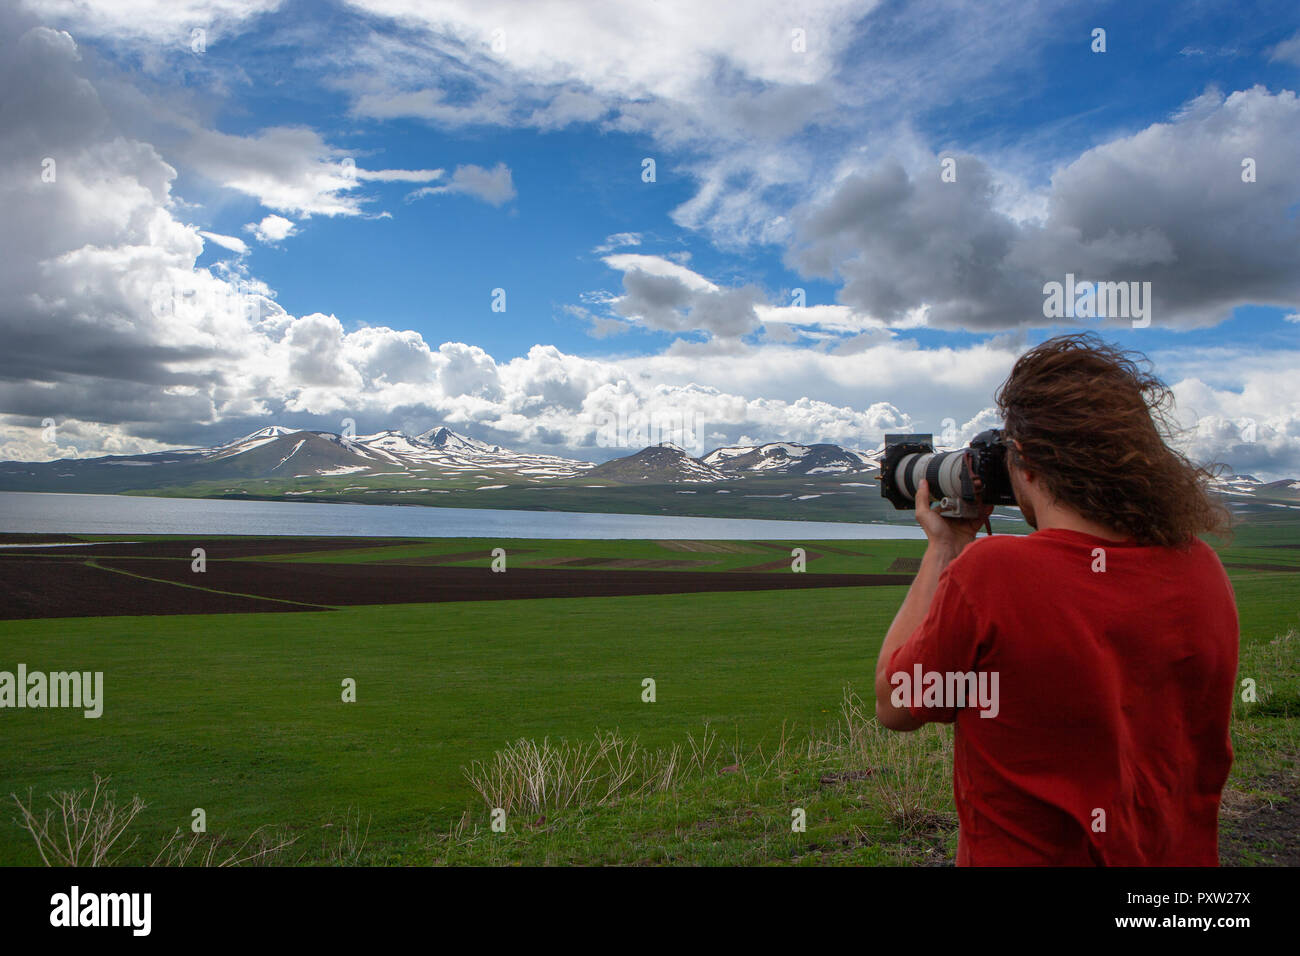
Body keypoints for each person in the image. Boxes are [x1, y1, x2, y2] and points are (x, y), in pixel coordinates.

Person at [873, 333, 1238, 866]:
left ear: (1025, 461)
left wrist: (945, 547)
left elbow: (896, 703)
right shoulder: (1200, 566)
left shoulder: (996, 573)